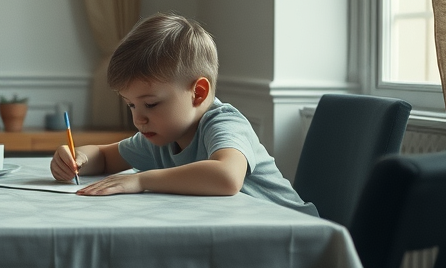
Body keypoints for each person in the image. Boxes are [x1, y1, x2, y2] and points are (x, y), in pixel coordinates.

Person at [50, 13, 316, 215]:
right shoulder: (162, 137)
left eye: (150, 104)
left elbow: (227, 176)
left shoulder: (224, 122)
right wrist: (77, 158)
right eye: (131, 105)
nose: (138, 119)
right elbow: (105, 157)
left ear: (198, 93)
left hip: (298, 234)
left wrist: (141, 180)